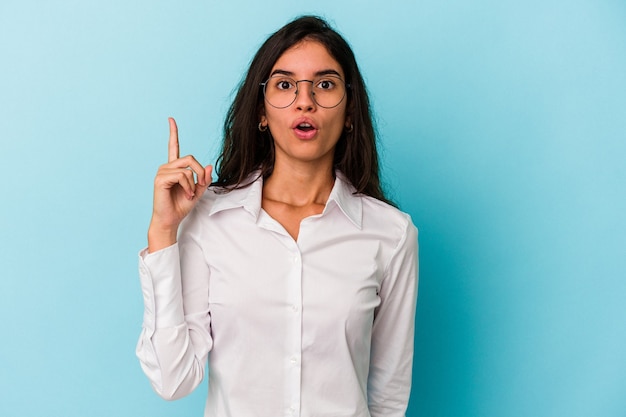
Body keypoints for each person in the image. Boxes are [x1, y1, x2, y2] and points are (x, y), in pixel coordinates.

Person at [136, 15, 418, 417]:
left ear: (350, 111)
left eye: (325, 84)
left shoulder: (390, 235)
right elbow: (172, 379)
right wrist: (164, 232)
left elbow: (387, 395)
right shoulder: (209, 220)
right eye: (285, 85)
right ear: (262, 113)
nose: (306, 101)